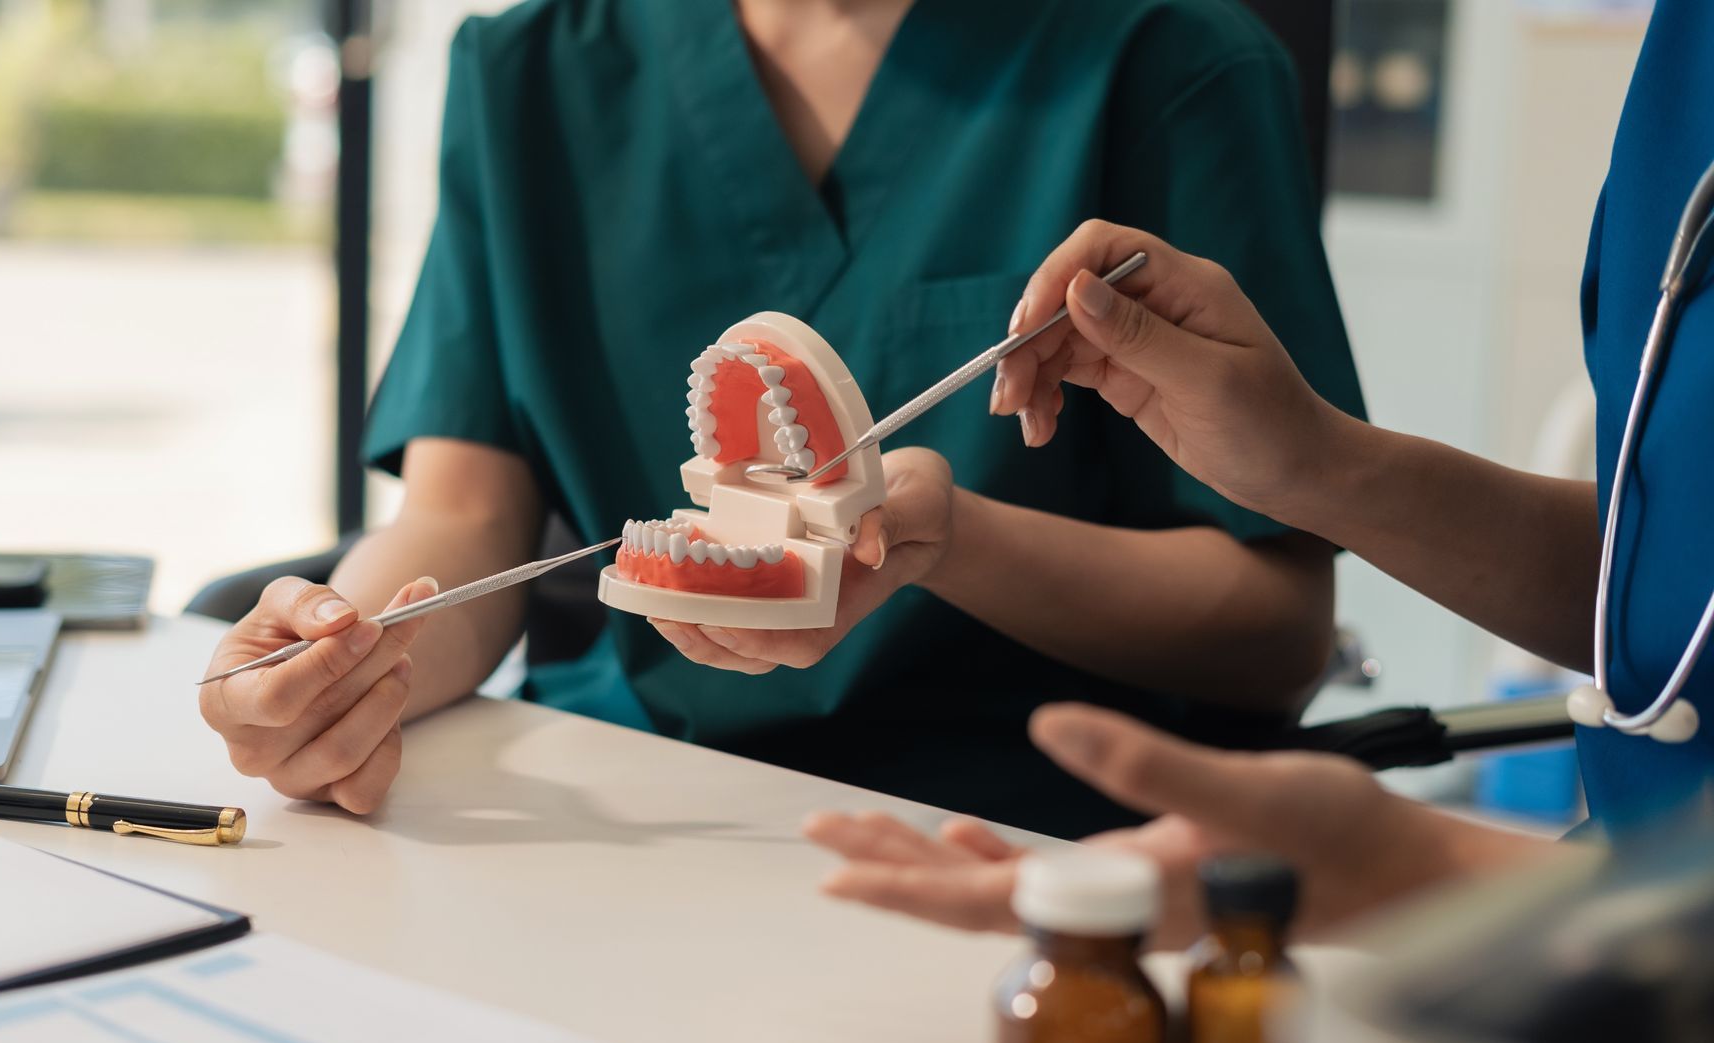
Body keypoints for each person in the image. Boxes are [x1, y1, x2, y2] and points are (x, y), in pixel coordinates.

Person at [198, 0, 1365, 838]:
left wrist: (950, 541)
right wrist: (342, 664)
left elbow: (1275, 628)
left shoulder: (1166, 61)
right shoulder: (529, 71)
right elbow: (464, 516)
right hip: (633, 802)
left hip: (1025, 836)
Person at [808, 0, 1713, 938]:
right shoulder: (1685, 54)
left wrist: (1420, 868)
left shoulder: (1168, 58)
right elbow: (1665, 590)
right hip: (1613, 951)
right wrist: (1313, 462)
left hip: (1630, 957)